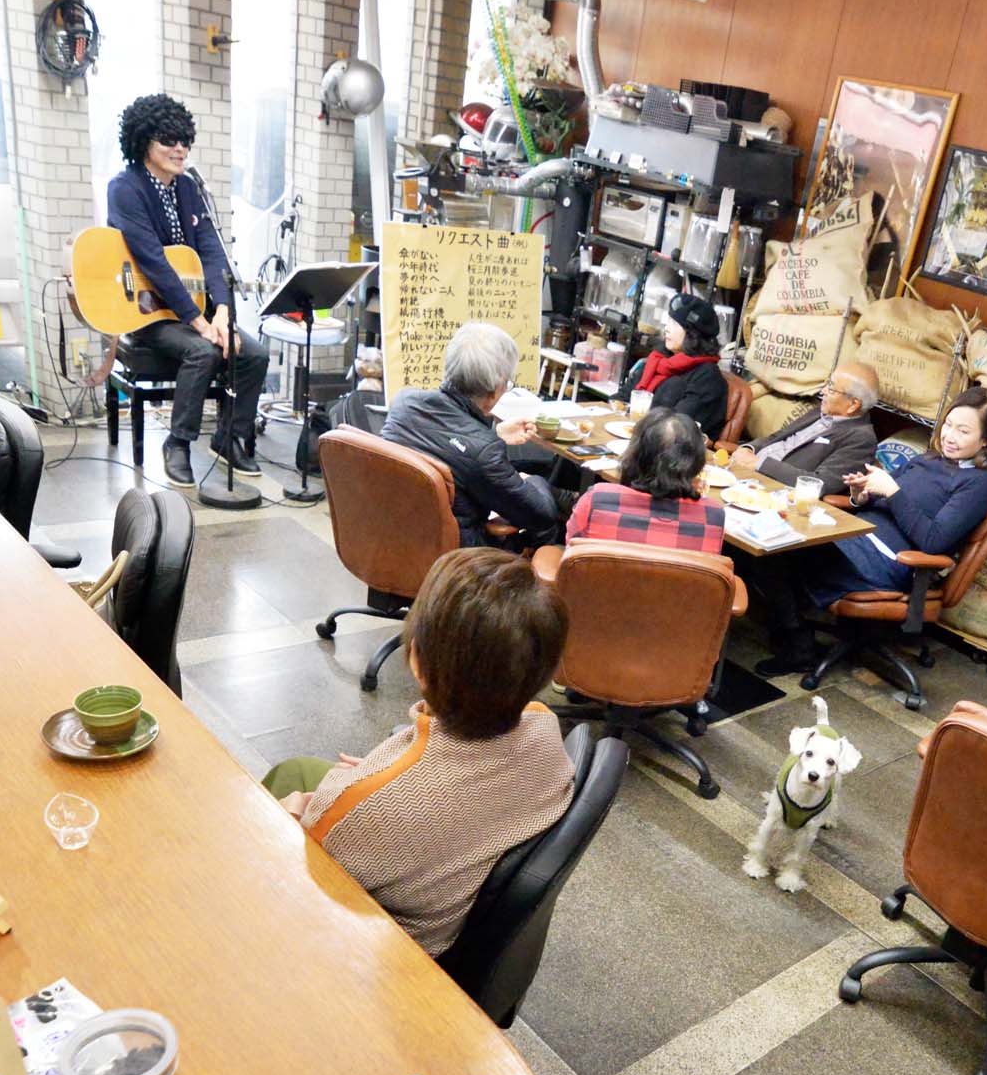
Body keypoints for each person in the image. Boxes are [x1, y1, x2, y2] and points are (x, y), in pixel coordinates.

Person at [259, 549, 574, 956]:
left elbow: (299, 872)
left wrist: (290, 816)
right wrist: (386, 778)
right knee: (302, 768)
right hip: (450, 860)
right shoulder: (543, 724)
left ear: (418, 662)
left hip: (379, 953)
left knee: (283, 791)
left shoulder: (362, 810)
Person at [753, 386, 987, 677]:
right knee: (773, 534)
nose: (949, 436)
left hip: (889, 561)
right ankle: (788, 630)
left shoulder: (977, 484)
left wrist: (893, 492)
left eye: (963, 431)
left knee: (779, 549)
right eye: (948, 425)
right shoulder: (927, 460)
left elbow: (933, 541)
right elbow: (882, 496)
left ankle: (798, 647)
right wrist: (860, 495)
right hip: (857, 536)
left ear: (986, 441)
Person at [107, 93, 270, 487]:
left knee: (254, 354)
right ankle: (177, 443)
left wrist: (222, 312)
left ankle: (229, 438)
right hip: (147, 310)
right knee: (204, 350)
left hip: (195, 306)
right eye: (168, 140)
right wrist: (199, 323)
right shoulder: (125, 189)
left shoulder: (188, 188)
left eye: (184, 140)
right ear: (143, 142)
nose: (179, 149)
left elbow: (212, 252)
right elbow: (154, 263)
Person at [383, 322, 575, 547]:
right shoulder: (485, 451)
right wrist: (532, 481)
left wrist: (493, 435)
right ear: (495, 390)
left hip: (391, 535)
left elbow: (450, 443)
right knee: (548, 526)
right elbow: (541, 514)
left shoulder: (404, 403)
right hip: (459, 556)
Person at [566, 407, 725, 553]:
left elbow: (571, 553)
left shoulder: (598, 498)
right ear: (696, 463)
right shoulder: (713, 516)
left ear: (635, 453)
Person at [729, 361, 880, 487]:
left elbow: (820, 482)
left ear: (853, 404)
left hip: (772, 486)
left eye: (832, 389)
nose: (823, 391)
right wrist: (749, 449)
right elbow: (778, 437)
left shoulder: (861, 439)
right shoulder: (822, 411)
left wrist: (758, 463)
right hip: (747, 468)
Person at [632, 293, 728, 439]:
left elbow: (676, 427)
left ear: (693, 334)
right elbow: (626, 395)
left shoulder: (707, 376)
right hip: (638, 434)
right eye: (668, 322)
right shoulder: (660, 357)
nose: (666, 328)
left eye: (674, 324)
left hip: (667, 446)